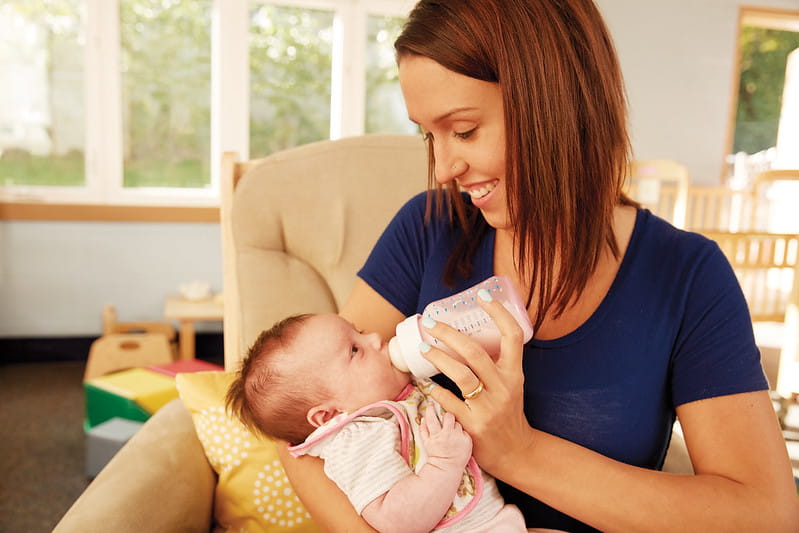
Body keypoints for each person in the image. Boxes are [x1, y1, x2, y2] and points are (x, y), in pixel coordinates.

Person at [276, 0, 799, 531]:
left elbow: (765, 515)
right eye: (428, 135)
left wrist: (518, 451)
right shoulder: (430, 228)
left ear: (556, 102)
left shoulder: (684, 277)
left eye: (464, 129)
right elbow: (302, 424)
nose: (442, 167)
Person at [226, 313, 527, 532]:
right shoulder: (357, 441)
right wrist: (444, 464)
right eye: (354, 350)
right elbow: (395, 521)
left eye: (359, 331)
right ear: (328, 416)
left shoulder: (397, 390)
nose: (374, 338)